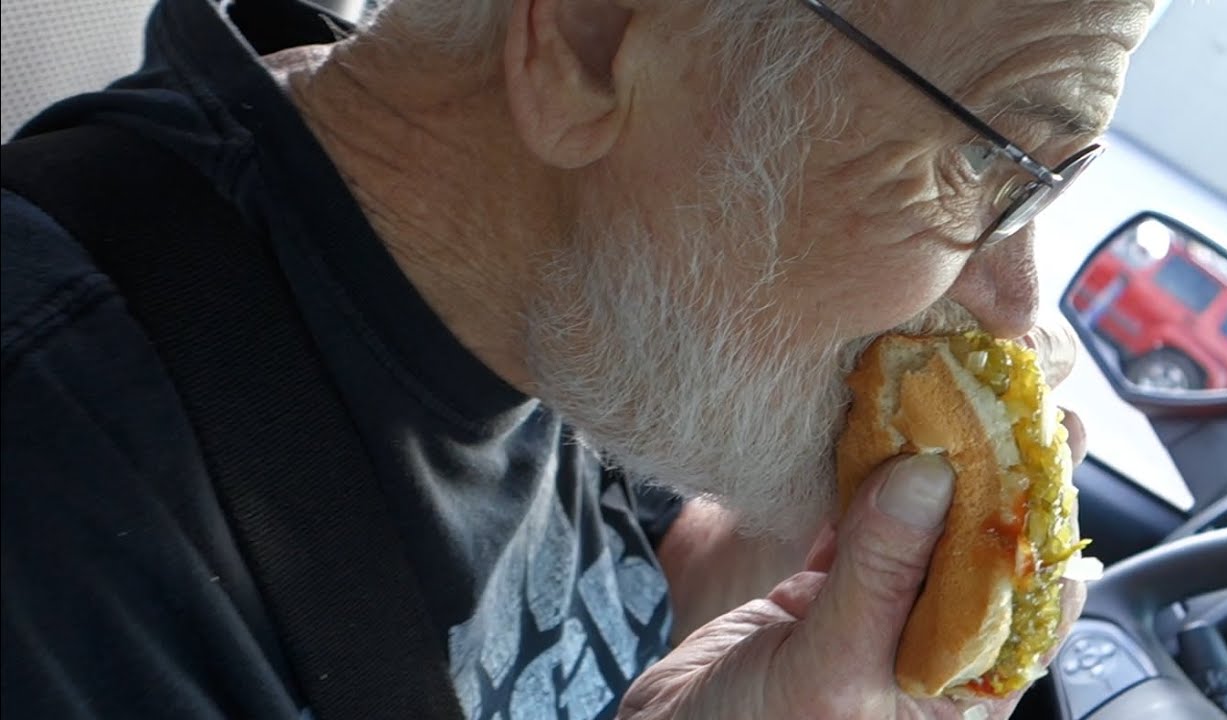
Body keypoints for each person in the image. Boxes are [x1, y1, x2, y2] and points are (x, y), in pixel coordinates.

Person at [0, 0, 1151, 717]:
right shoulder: (61, 501)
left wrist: (792, 565)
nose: (1012, 305)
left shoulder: (592, 298)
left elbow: (617, 588)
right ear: (595, 43)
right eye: (984, 166)